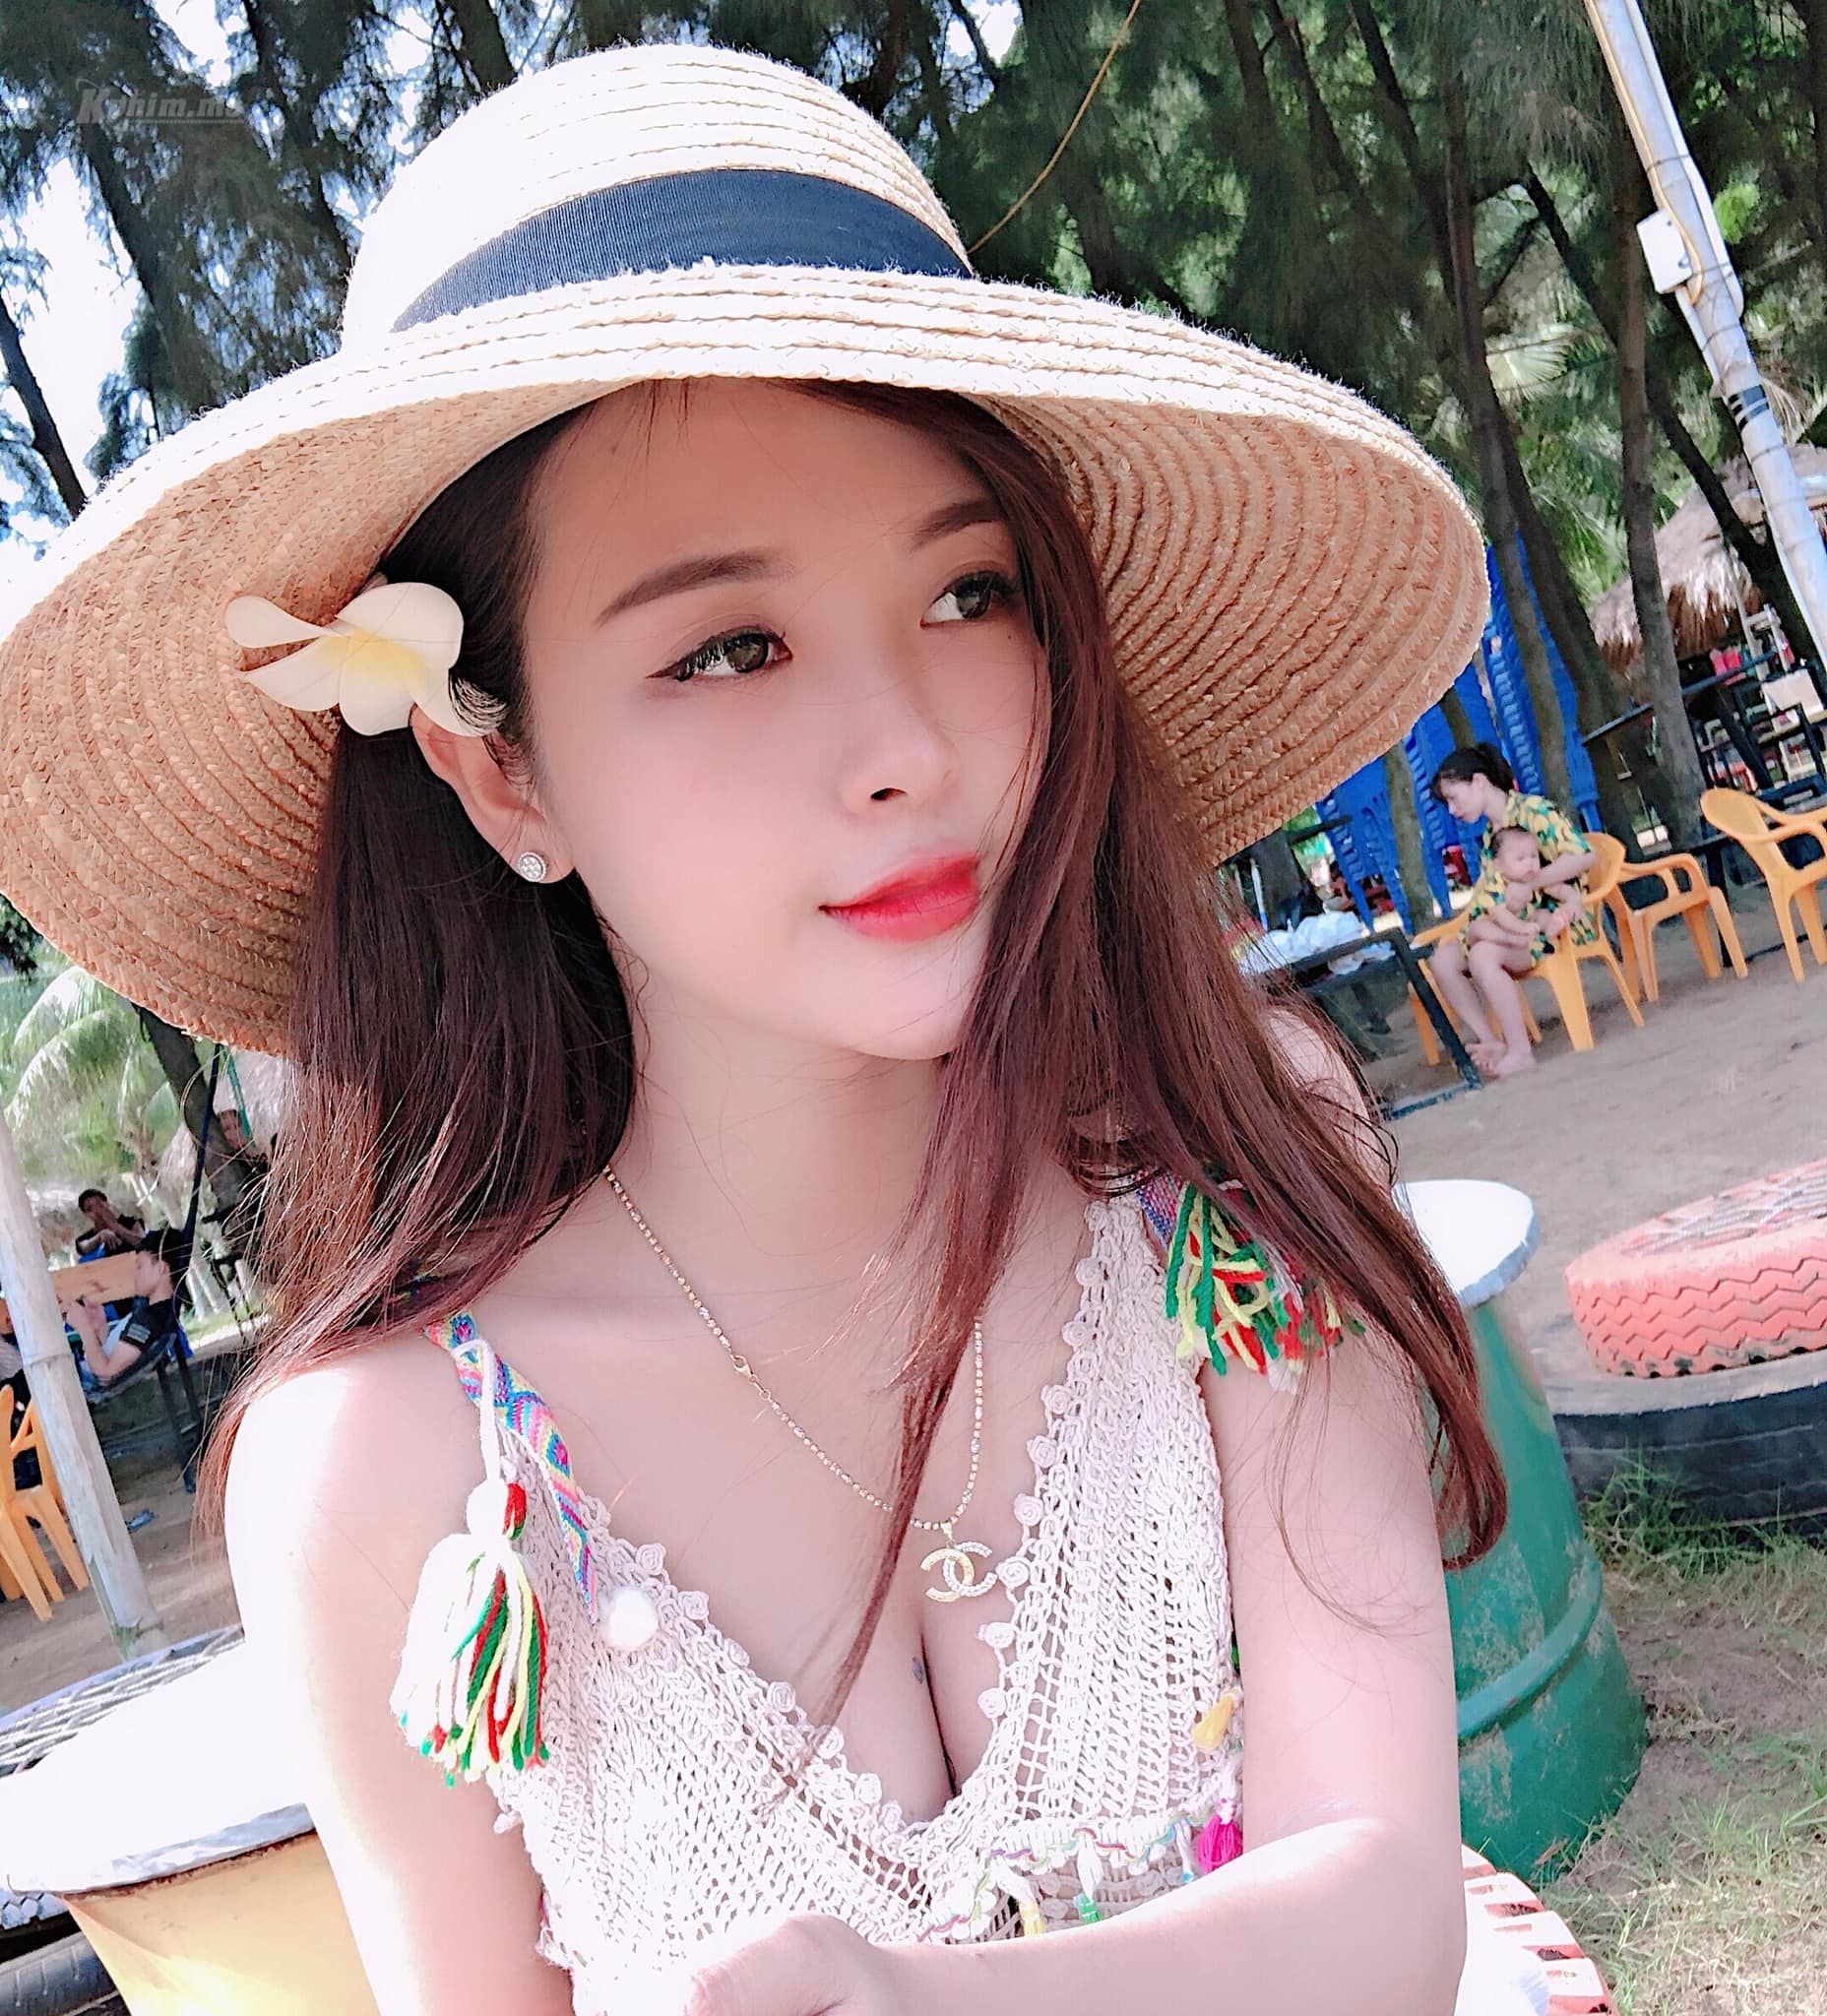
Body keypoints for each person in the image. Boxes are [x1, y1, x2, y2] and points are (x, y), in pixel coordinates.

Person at [0, 47, 1555, 2016]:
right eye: (726, 645)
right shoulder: (390, 1464)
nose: (907, 746)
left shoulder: (1228, 1164)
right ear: (502, 774)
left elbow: (1386, 1903)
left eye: (970, 592)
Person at [1428, 744, 1597, 1078]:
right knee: (1442, 961)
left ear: (1479, 782)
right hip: (1513, 923)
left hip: (1553, 920)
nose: (1452, 810)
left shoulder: (1534, 811)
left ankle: (1520, 1051)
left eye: (1454, 798)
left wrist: (1532, 883)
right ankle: (1491, 1041)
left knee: (1482, 956)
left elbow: (1585, 855)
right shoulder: (1490, 835)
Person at [1464, 828, 1583, 964]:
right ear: (1499, 865)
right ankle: (1509, 939)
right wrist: (1520, 928)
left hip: (1526, 933)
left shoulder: (1536, 878)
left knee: (1541, 914)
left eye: (1534, 856)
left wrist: (1572, 899)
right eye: (1520, 858)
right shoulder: (1495, 883)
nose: (1530, 863)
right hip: (1497, 929)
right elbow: (1500, 914)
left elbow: (1559, 889)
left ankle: (1552, 928)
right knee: (1478, 927)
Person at [72, 1186, 147, 1258]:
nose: (96, 1211)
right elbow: (83, 1247)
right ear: (86, 1215)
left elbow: (143, 1243)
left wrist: (115, 1226)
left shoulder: (131, 1222)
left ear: (107, 1203)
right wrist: (100, 1236)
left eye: (99, 1204)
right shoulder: (89, 1236)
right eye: (89, 1209)